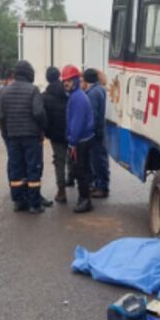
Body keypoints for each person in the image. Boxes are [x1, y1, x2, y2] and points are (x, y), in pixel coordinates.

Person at [0, 60, 48, 214]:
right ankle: (34, 204)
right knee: (33, 169)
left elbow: (0, 117)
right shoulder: (33, 90)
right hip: (31, 137)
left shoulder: (4, 92)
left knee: (16, 169)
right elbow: (38, 112)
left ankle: (19, 202)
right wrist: (42, 128)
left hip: (12, 137)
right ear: (29, 73)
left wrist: (6, 133)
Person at [62, 64, 94, 214]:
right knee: (83, 170)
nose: (65, 83)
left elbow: (77, 122)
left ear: (75, 80)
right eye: (64, 81)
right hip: (83, 140)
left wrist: (72, 142)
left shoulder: (77, 98)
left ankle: (85, 200)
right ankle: (84, 198)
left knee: (80, 171)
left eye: (68, 80)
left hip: (81, 141)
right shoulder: (76, 96)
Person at [42, 66, 69, 204]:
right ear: (59, 76)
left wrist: (46, 132)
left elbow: (43, 117)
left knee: (59, 160)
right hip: (70, 131)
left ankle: (61, 191)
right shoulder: (67, 92)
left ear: (47, 78)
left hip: (55, 134)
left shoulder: (44, 96)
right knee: (72, 156)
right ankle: (71, 178)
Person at [82, 68, 109, 198]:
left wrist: (89, 132)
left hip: (95, 133)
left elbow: (93, 115)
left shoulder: (93, 93)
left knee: (98, 161)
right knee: (100, 159)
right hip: (100, 131)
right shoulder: (100, 90)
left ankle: (102, 187)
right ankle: (101, 185)